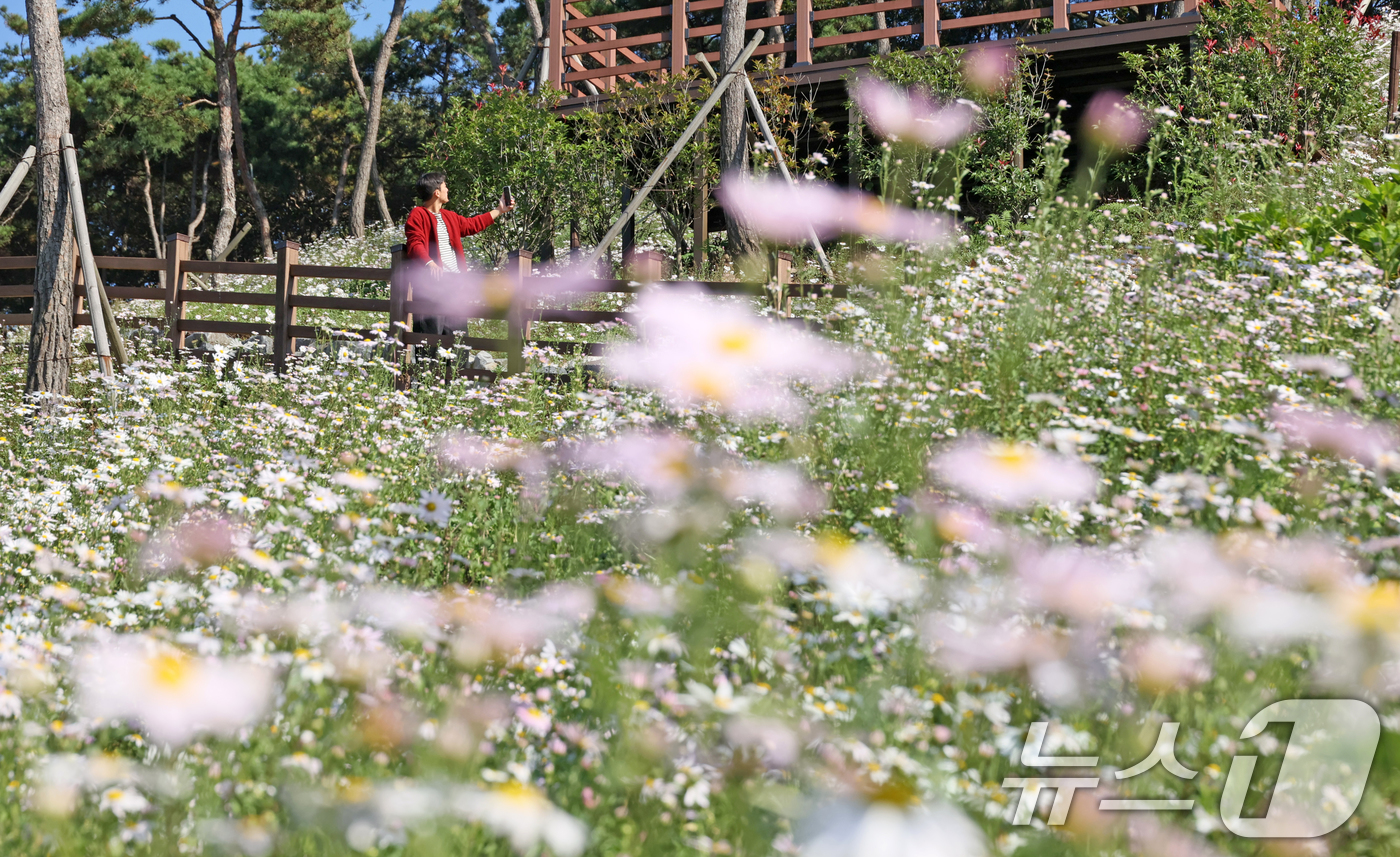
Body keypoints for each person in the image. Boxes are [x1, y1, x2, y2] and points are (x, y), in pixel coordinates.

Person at [404, 172, 515, 333]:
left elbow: (472, 224)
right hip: (432, 286)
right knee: (430, 337)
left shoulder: (449, 216)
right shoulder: (418, 214)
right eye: (445, 186)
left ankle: (458, 360)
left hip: (455, 284)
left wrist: (499, 210)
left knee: (457, 337)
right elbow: (415, 243)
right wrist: (430, 263)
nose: (447, 189)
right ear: (437, 192)